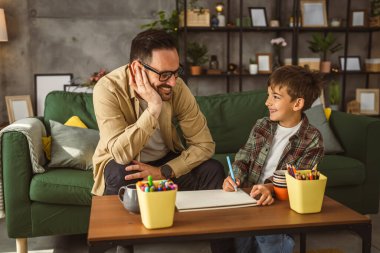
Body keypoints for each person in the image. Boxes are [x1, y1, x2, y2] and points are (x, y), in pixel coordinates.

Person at [91, 29, 225, 197]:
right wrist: (153, 107)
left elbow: (204, 145)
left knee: (212, 169)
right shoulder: (108, 88)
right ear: (137, 68)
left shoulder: (178, 87)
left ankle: (198, 223)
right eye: (165, 74)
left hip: (164, 161)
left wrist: (164, 171)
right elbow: (121, 154)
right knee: (121, 176)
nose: (172, 82)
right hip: (125, 163)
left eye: (176, 72)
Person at [211, 65, 324, 253]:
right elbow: (243, 157)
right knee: (241, 243)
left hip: (280, 205)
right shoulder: (262, 125)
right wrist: (235, 176)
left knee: (271, 239)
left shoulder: (312, 139)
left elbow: (300, 181)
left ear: (297, 104)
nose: (267, 102)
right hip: (249, 199)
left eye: (275, 97)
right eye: (268, 95)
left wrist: (270, 189)